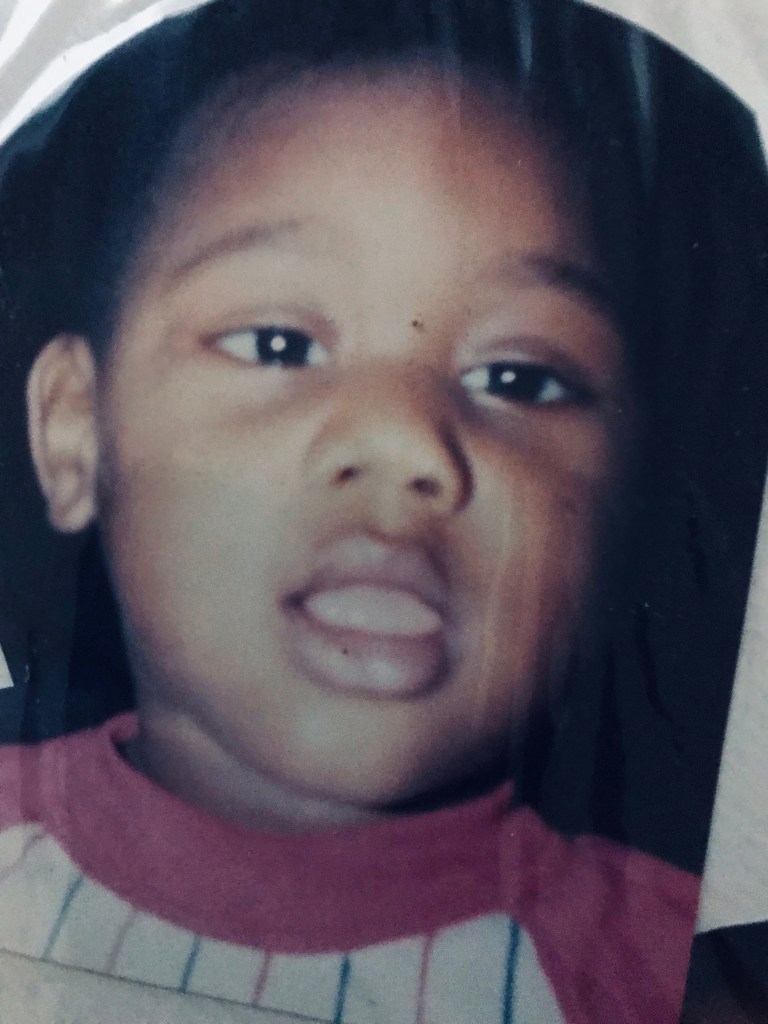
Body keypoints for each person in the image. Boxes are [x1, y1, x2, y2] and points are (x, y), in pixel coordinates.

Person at [2, 0, 763, 1020]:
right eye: (278, 344)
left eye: (518, 377)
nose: (407, 444)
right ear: (73, 430)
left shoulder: (653, 963)